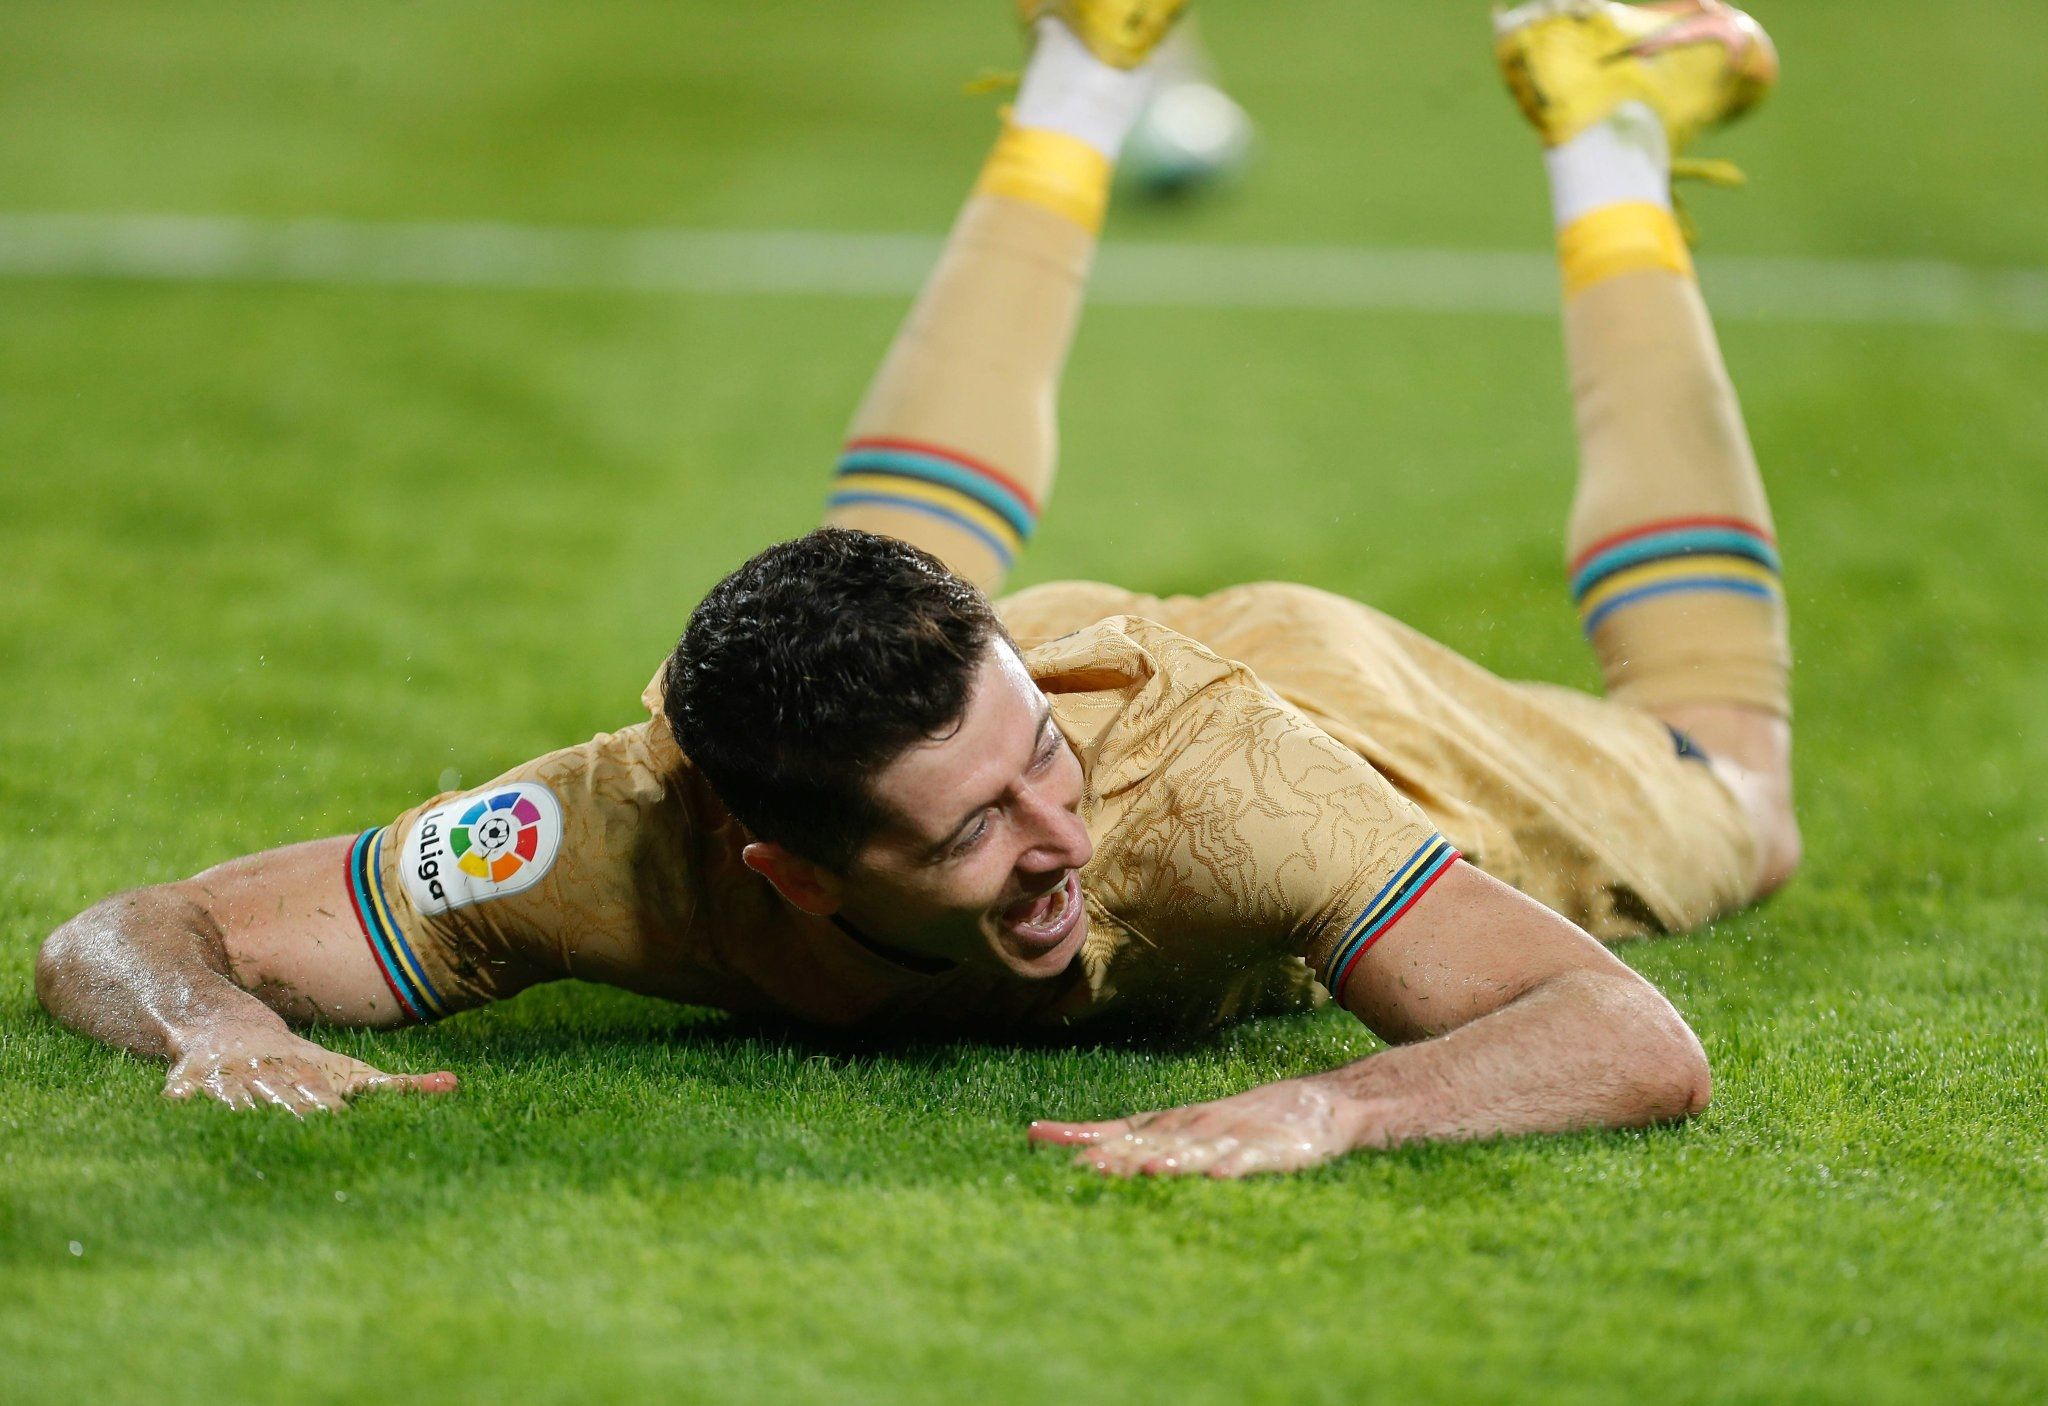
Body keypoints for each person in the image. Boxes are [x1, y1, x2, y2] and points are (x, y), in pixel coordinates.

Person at [36, 0, 1799, 1178]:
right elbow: (126, 928)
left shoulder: (1203, 795)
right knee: (898, 618)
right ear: (784, 873)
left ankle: (1607, 119)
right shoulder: (617, 842)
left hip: (1321, 707)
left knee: (1734, 780)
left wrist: (1336, 1102)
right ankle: (1088, 66)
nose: (1059, 834)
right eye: (974, 831)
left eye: (1040, 773)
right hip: (985, 692)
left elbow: (1625, 1036)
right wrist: (213, 1021)